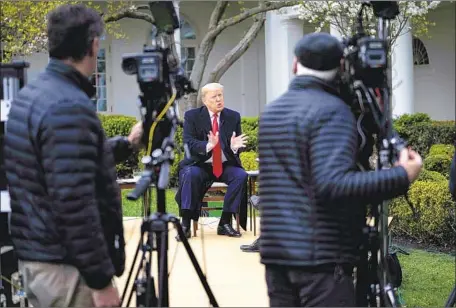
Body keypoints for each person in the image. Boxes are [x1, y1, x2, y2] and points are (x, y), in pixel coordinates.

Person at [257, 32, 423, 307]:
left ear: (295, 64)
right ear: (341, 67)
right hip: (321, 260)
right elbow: (333, 184)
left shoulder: (273, 110)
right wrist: (401, 175)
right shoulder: (333, 111)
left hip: (277, 257)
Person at [3, 4, 143, 307]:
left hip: (39, 258)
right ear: (92, 44)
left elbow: (54, 167)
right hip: (66, 269)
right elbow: (73, 203)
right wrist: (100, 281)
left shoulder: (33, 95)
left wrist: (127, 144)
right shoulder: (68, 105)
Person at [175, 82, 248, 240]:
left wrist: (235, 147)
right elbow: (188, 143)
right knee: (189, 175)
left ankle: (225, 222)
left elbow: (237, 144)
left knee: (241, 176)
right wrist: (209, 145)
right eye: (214, 97)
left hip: (225, 165)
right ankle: (185, 224)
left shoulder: (233, 116)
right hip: (200, 164)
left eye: (220, 95)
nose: (218, 100)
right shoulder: (192, 116)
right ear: (205, 100)